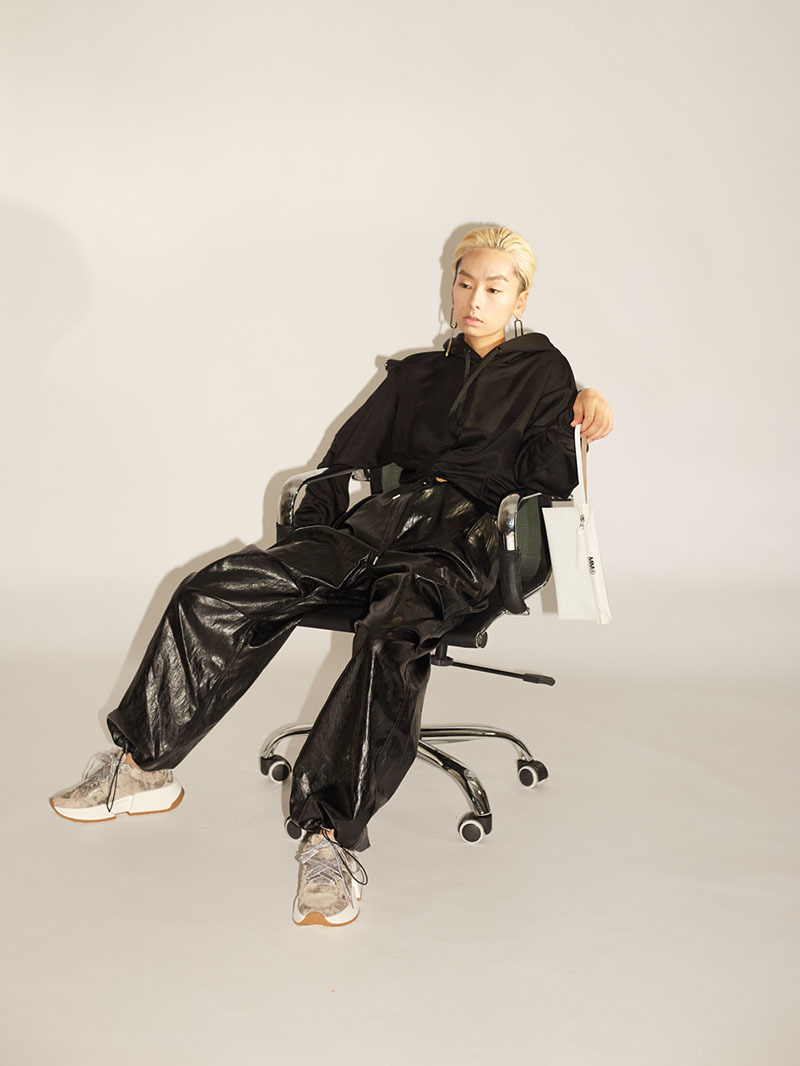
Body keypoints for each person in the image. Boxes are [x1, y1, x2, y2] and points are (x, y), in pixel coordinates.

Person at [50, 225, 614, 927]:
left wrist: (581, 404)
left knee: (386, 636)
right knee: (215, 589)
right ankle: (142, 766)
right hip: (376, 528)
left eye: (494, 289)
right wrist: (305, 545)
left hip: (462, 545)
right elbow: (343, 461)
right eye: (465, 282)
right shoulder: (417, 375)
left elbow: (548, 482)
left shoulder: (543, 372)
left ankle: (330, 839)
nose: (474, 300)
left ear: (520, 298)